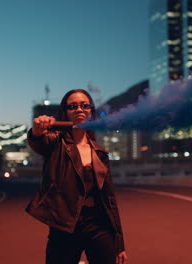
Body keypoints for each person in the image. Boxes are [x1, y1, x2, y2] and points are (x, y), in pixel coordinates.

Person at [26, 89, 128, 264]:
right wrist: (36, 130)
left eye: (84, 105)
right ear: (65, 112)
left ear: (91, 111)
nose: (79, 109)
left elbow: (109, 200)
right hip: (64, 226)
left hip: (98, 226)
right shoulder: (55, 143)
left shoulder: (100, 153)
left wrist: (119, 243)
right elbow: (37, 141)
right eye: (73, 106)